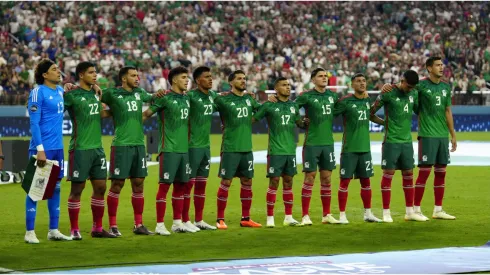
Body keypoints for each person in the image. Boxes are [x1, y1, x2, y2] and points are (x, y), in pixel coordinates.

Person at [381, 57, 457, 220]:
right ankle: (415, 209)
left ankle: (438, 209)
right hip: (427, 134)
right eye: (437, 65)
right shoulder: (420, 85)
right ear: (429, 68)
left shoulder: (445, 87)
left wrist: (453, 135)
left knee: (441, 173)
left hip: (442, 135)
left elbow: (447, 111)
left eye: (442, 65)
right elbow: (403, 89)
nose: (441, 67)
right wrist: (389, 86)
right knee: (424, 173)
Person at [100, 66, 163, 236]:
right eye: (133, 76)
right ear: (123, 78)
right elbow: (95, 100)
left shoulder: (139, 92)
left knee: (138, 184)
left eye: (138, 75)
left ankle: (139, 224)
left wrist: (160, 93)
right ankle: (113, 225)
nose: (137, 78)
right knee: (117, 184)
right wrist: (107, 112)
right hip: (121, 144)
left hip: (139, 145)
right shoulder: (111, 93)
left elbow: (151, 98)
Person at [64, 62, 116, 239]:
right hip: (80, 149)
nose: (95, 75)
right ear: (80, 75)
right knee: (77, 189)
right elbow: (55, 109)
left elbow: (99, 114)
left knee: (101, 187)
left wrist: (115, 111)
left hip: (97, 149)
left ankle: (97, 228)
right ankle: (74, 229)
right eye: (91, 73)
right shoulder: (71, 95)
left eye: (95, 72)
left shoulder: (96, 93)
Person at [143, 66, 195, 234]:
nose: (187, 80)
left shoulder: (187, 98)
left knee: (181, 186)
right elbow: (146, 115)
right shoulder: (164, 97)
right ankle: (159, 225)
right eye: (183, 77)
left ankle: (177, 222)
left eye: (188, 77)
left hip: (184, 150)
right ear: (174, 80)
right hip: (168, 149)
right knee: (164, 187)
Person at [25, 58, 72, 244]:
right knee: (34, 190)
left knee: (56, 188)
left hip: (58, 149)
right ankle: (30, 232)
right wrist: (40, 150)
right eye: (54, 69)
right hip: (42, 149)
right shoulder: (37, 93)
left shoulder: (60, 91)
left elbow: (74, 93)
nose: (58, 71)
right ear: (45, 75)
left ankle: (53, 230)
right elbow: (34, 123)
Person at [370, 70, 427, 223]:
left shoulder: (414, 93)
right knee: (388, 175)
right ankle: (386, 212)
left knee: (408, 175)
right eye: (408, 86)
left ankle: (410, 212)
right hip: (391, 141)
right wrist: (384, 123)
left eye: (412, 87)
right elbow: (370, 112)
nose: (410, 89)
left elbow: (419, 111)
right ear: (402, 80)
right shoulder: (388, 92)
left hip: (407, 141)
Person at [252, 77, 307, 227]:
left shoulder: (294, 106)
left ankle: (288, 217)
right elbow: (254, 118)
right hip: (275, 150)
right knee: (274, 182)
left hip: (290, 150)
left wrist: (305, 123)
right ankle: (270, 218)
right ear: (276, 89)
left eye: (289, 85)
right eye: (284, 85)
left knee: (289, 182)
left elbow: (299, 123)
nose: (288, 87)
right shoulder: (269, 105)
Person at [215, 70, 262, 229]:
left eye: (244, 78)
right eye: (239, 79)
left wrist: (252, 119)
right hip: (230, 148)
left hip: (246, 148)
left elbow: (261, 110)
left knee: (247, 182)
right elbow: (208, 104)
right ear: (231, 82)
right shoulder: (223, 99)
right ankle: (220, 219)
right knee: (226, 182)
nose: (243, 81)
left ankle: (246, 218)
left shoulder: (249, 99)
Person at [332, 73, 382, 223]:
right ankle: (342, 215)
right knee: (344, 182)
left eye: (364, 81)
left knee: (366, 182)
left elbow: (371, 116)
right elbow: (330, 114)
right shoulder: (345, 101)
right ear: (352, 85)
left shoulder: (367, 100)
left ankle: (368, 214)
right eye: (358, 81)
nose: (362, 83)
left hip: (365, 148)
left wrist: (385, 123)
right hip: (349, 149)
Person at [293, 68, 340, 225]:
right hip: (312, 143)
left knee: (327, 179)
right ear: (313, 80)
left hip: (328, 143)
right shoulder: (306, 96)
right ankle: (305, 216)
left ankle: (326, 215)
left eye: (325, 76)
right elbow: (292, 108)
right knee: (310, 178)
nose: (324, 78)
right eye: (320, 76)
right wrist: (299, 122)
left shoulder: (333, 96)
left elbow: (343, 108)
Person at [183, 66, 218, 230]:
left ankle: (199, 219)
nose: (211, 79)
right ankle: (184, 220)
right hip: (191, 146)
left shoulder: (212, 96)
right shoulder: (189, 96)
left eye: (211, 76)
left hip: (205, 147)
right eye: (207, 77)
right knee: (187, 185)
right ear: (197, 81)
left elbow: (227, 99)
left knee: (202, 185)